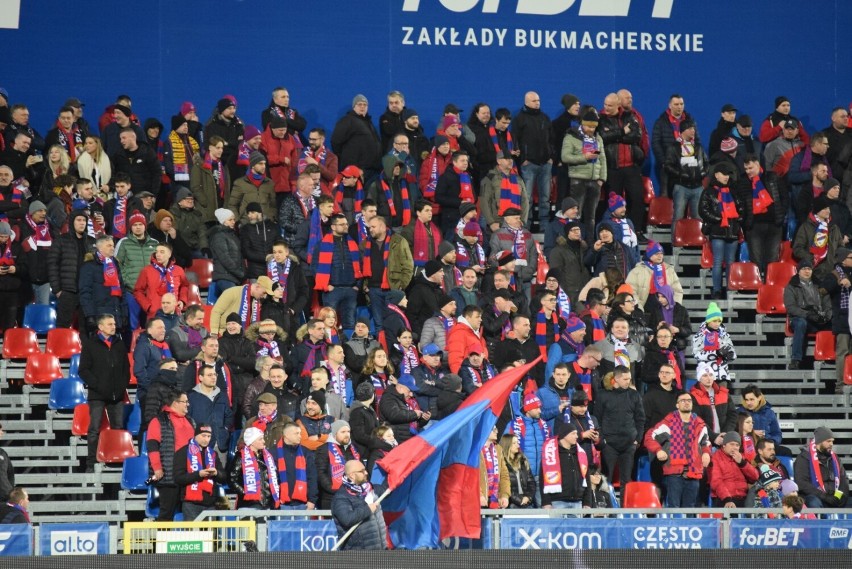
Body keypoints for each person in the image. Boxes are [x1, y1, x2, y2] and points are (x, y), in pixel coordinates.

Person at [79, 314, 130, 472]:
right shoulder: (90, 344)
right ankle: (91, 463)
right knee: (94, 428)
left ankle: (117, 459)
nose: (113, 326)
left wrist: (122, 386)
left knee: (118, 427)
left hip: (117, 394)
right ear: (100, 327)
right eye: (110, 324)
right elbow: (83, 370)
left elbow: (126, 369)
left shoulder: (119, 343)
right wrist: (97, 385)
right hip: (97, 395)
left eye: (114, 323)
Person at [644, 391, 712, 508]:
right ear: (677, 405)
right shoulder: (668, 423)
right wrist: (658, 450)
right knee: (673, 508)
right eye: (683, 401)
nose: (686, 403)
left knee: (691, 509)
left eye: (689, 401)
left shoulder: (700, 424)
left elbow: (705, 442)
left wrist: (706, 453)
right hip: (674, 473)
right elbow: (649, 437)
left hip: (694, 472)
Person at [699, 162, 749, 299]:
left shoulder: (734, 191)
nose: (726, 177)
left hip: (732, 232)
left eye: (728, 174)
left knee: (731, 263)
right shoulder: (709, 191)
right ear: (716, 175)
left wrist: (737, 220)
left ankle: (729, 289)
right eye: (724, 174)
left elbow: (741, 208)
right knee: (718, 261)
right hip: (717, 231)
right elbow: (703, 210)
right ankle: (716, 291)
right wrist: (718, 219)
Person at [147, 389, 196, 520]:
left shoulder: (190, 421)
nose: (188, 404)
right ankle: (162, 540)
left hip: (188, 475)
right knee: (167, 513)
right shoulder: (158, 421)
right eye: (185, 402)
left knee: (189, 513)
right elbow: (152, 445)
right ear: (175, 403)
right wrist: (157, 468)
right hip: (169, 476)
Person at [595, 365, 644, 485]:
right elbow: (597, 419)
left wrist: (637, 439)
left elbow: (640, 419)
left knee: (626, 481)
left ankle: (625, 504)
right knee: (606, 480)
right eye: (625, 379)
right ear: (616, 379)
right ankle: (606, 504)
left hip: (629, 444)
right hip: (609, 445)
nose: (629, 382)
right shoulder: (603, 395)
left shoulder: (634, 395)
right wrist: (602, 440)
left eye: (630, 379)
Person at [784, 260, 833, 369]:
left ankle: (834, 356)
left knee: (836, 322)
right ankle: (796, 359)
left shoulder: (820, 285)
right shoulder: (791, 286)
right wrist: (807, 314)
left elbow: (828, 304)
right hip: (800, 318)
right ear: (798, 271)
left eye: (809, 269)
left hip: (818, 317)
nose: (807, 271)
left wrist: (826, 316)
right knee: (801, 323)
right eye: (804, 269)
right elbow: (791, 308)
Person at [173, 424, 227, 520]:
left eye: (209, 436)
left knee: (210, 535)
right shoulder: (183, 452)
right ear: (195, 435)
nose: (206, 439)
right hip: (191, 504)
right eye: (203, 436)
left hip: (210, 503)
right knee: (193, 535)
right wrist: (198, 475)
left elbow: (224, 477)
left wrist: (216, 473)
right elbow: (178, 478)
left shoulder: (213, 454)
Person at [331, 460, 388, 551]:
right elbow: (347, 519)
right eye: (362, 471)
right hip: (357, 554)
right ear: (352, 475)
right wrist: (368, 509)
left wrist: (396, 471)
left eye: (365, 470)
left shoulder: (371, 488)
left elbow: (387, 489)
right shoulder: (341, 497)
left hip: (380, 550)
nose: (366, 473)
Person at [794, 426, 849, 509]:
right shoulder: (804, 458)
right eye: (828, 441)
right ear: (819, 442)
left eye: (832, 441)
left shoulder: (835, 458)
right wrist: (824, 496)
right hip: (816, 497)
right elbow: (801, 483)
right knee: (813, 502)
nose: (831, 444)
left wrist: (842, 496)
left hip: (834, 496)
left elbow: (844, 479)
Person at [133, 242, 190, 321]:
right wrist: (148, 306)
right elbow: (138, 291)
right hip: (155, 314)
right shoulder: (147, 270)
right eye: (157, 251)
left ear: (169, 254)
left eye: (162, 252)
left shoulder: (178, 270)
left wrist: (182, 300)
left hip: (174, 313)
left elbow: (185, 286)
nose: (158, 254)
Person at [187, 364, 233, 455]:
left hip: (220, 445)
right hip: (199, 446)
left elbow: (229, 415)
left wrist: (225, 429)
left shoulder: (222, 396)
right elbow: (188, 419)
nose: (213, 377)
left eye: (214, 375)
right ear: (201, 377)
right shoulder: (191, 396)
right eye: (209, 375)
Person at [230, 427, 280, 510]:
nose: (264, 441)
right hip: (248, 505)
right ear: (252, 442)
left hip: (267, 505)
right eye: (260, 439)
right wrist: (246, 493)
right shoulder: (240, 456)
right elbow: (232, 479)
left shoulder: (267, 457)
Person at [540, 422, 587, 511]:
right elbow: (543, 479)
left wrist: (587, 502)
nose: (577, 436)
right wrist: (546, 502)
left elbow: (586, 478)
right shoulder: (550, 453)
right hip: (556, 502)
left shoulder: (580, 453)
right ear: (565, 435)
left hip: (577, 502)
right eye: (573, 433)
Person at [316, 420, 360, 510]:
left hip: (354, 495)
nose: (347, 434)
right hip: (331, 497)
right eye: (343, 432)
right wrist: (333, 489)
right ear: (335, 434)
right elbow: (320, 473)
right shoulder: (324, 449)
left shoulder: (354, 449)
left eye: (348, 431)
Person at [208, 276, 274, 336]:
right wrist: (214, 333)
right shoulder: (232, 292)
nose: (265, 296)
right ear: (257, 287)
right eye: (264, 292)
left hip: (243, 337)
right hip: (225, 334)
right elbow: (216, 312)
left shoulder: (256, 300)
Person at [275, 422, 318, 511]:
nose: (300, 436)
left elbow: (312, 477)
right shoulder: (273, 453)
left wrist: (312, 500)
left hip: (303, 504)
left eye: (300, 433)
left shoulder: (306, 452)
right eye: (296, 433)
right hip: (281, 505)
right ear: (286, 435)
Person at [709, 431, 759, 508]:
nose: (735, 447)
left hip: (743, 498)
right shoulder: (716, 458)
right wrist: (727, 499)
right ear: (724, 445)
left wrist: (742, 463)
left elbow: (755, 477)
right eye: (732, 444)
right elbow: (716, 482)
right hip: (723, 499)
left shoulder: (741, 457)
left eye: (737, 445)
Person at [691, 302, 736, 385]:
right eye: (714, 321)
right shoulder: (700, 335)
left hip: (722, 375)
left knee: (722, 397)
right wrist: (716, 353)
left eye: (719, 321)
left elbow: (732, 351)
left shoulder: (724, 335)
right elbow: (697, 354)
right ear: (708, 321)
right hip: (706, 375)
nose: (717, 324)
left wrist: (730, 355)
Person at [379, 375, 429, 443]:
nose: (411, 394)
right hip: (395, 442)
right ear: (400, 388)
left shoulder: (401, 399)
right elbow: (394, 415)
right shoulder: (388, 398)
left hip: (405, 440)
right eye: (409, 391)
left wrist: (423, 419)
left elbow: (412, 423)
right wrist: (414, 414)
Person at [499, 434, 535, 509]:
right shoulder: (501, 463)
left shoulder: (523, 461)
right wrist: (519, 500)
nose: (518, 445)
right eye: (514, 443)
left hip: (526, 502)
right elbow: (503, 485)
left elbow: (531, 482)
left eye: (517, 443)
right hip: (510, 503)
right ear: (507, 445)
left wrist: (528, 497)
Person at [480, 426, 510, 509]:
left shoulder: (498, 449)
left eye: (496, 429)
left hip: (494, 500)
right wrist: (479, 495)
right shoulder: (475, 449)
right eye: (493, 430)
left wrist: (504, 495)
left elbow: (504, 475)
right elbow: (471, 476)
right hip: (479, 500)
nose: (496, 432)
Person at [0, 424, 14, 503]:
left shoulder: (2, 453)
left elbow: (10, 474)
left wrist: (10, 492)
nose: (2, 433)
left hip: (5, 498)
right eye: (0, 430)